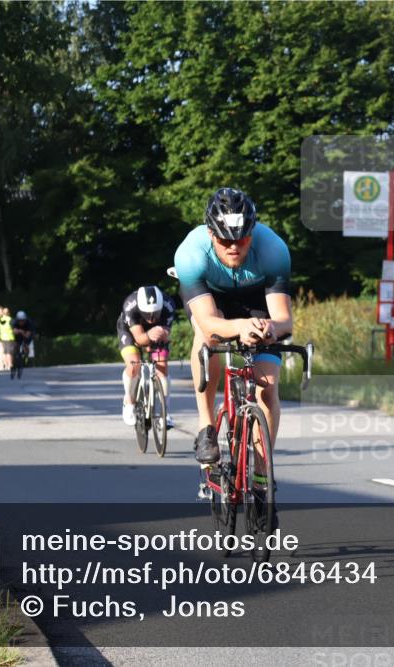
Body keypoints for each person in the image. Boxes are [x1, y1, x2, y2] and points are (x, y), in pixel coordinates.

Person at [173, 187, 292, 529]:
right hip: (213, 301)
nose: (234, 247)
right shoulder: (191, 255)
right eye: (225, 240)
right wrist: (238, 326)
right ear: (211, 233)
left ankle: (259, 478)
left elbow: (285, 320)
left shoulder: (274, 251)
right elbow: (210, 325)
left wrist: (270, 328)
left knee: (267, 386)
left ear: (252, 232)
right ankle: (207, 427)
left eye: (242, 239)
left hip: (256, 300)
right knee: (207, 340)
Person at [117, 285, 177, 429]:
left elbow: (166, 333)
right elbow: (139, 339)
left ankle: (164, 412)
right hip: (130, 331)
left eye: (155, 314)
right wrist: (148, 337)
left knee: (162, 366)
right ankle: (129, 401)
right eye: (148, 314)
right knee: (134, 365)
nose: (151, 318)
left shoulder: (168, 305)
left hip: (157, 331)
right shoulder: (130, 305)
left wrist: (161, 335)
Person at [11, 311, 35, 375]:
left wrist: (21, 332)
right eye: (20, 320)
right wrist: (19, 331)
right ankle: (13, 362)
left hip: (27, 334)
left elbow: (27, 335)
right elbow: (14, 332)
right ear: (17, 320)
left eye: (23, 320)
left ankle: (25, 356)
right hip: (19, 335)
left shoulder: (29, 323)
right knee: (15, 346)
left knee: (26, 345)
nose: (21, 322)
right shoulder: (14, 322)